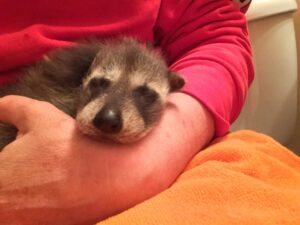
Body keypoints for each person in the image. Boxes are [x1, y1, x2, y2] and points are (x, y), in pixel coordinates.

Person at [0, 0, 253, 224]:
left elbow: (215, 35)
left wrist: (150, 162)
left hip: (170, 146)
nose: (109, 117)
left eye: (144, 94)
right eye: (100, 85)